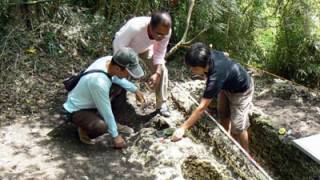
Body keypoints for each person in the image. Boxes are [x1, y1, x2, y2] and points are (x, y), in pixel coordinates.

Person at [171, 42, 254, 152]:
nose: (191, 71)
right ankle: (227, 140)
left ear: (203, 65)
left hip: (242, 90)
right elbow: (226, 54)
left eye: (194, 68)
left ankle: (246, 153)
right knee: (223, 113)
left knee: (238, 126)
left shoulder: (215, 78)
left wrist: (182, 128)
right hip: (226, 86)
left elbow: (201, 108)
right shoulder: (209, 54)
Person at [63, 47, 145, 148]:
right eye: (128, 73)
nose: (129, 76)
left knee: (121, 85)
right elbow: (106, 110)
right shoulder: (99, 83)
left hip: (92, 100)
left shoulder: (110, 61)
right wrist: (116, 136)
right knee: (101, 127)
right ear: (118, 68)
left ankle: (112, 123)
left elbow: (116, 78)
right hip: (78, 109)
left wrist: (135, 90)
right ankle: (84, 129)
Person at [113, 11, 172, 117]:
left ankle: (161, 104)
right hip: (125, 48)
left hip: (145, 48)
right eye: (159, 33)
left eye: (164, 34)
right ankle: (116, 102)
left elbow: (160, 52)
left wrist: (157, 73)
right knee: (120, 74)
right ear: (150, 26)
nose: (162, 37)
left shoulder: (166, 32)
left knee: (162, 70)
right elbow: (118, 47)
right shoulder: (135, 27)